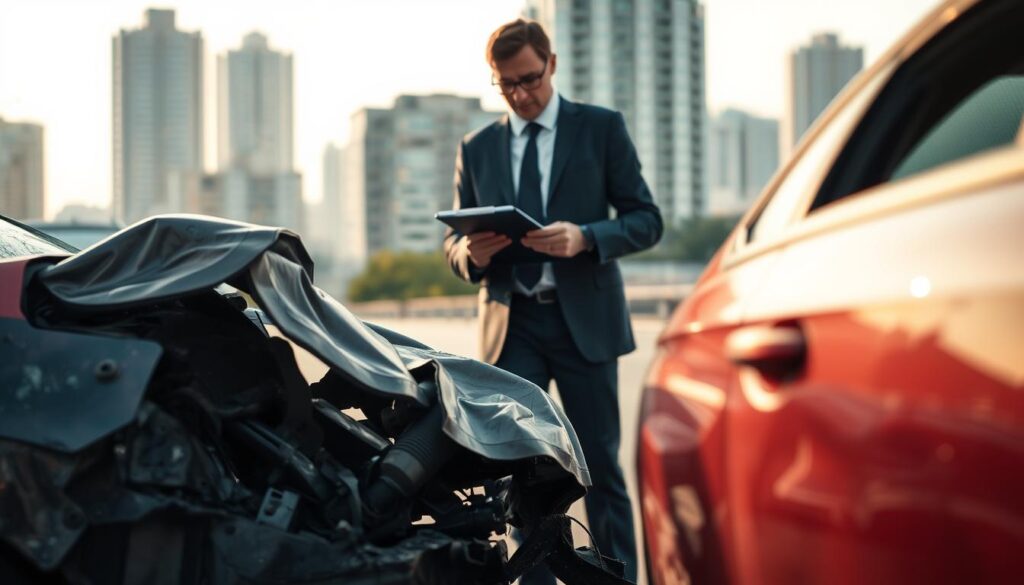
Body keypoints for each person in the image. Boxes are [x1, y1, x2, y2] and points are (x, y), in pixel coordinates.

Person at [443, 18, 662, 585]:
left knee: (600, 472)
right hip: (511, 327)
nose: (521, 94)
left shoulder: (602, 129)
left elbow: (647, 220)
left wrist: (586, 237)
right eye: (506, 85)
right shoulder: (477, 147)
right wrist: (474, 255)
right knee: (518, 473)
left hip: (584, 325)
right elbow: (453, 246)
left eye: (530, 79)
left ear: (552, 65)